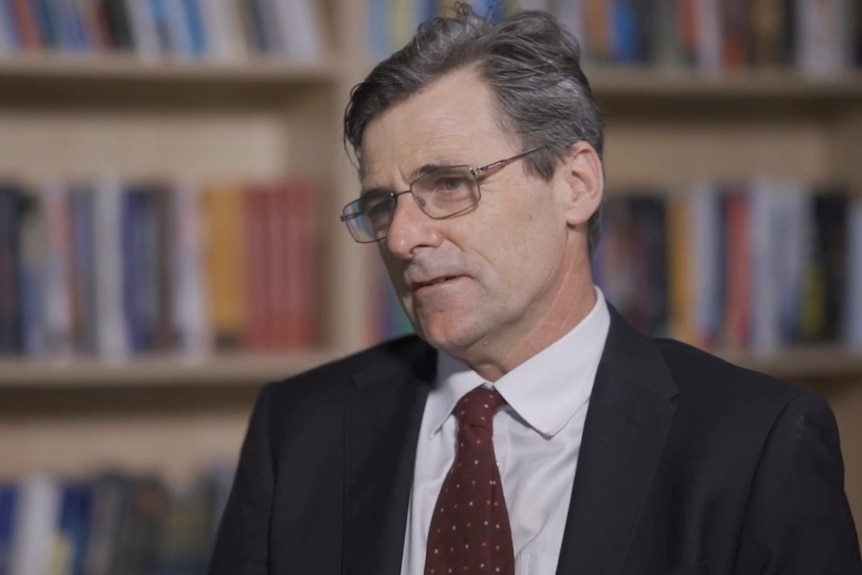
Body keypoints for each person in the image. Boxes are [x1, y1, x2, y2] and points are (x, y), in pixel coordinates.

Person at [207, 5, 862, 575]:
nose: (402, 237)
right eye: (382, 206)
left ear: (575, 184)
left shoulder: (756, 443)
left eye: (448, 184)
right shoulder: (298, 431)